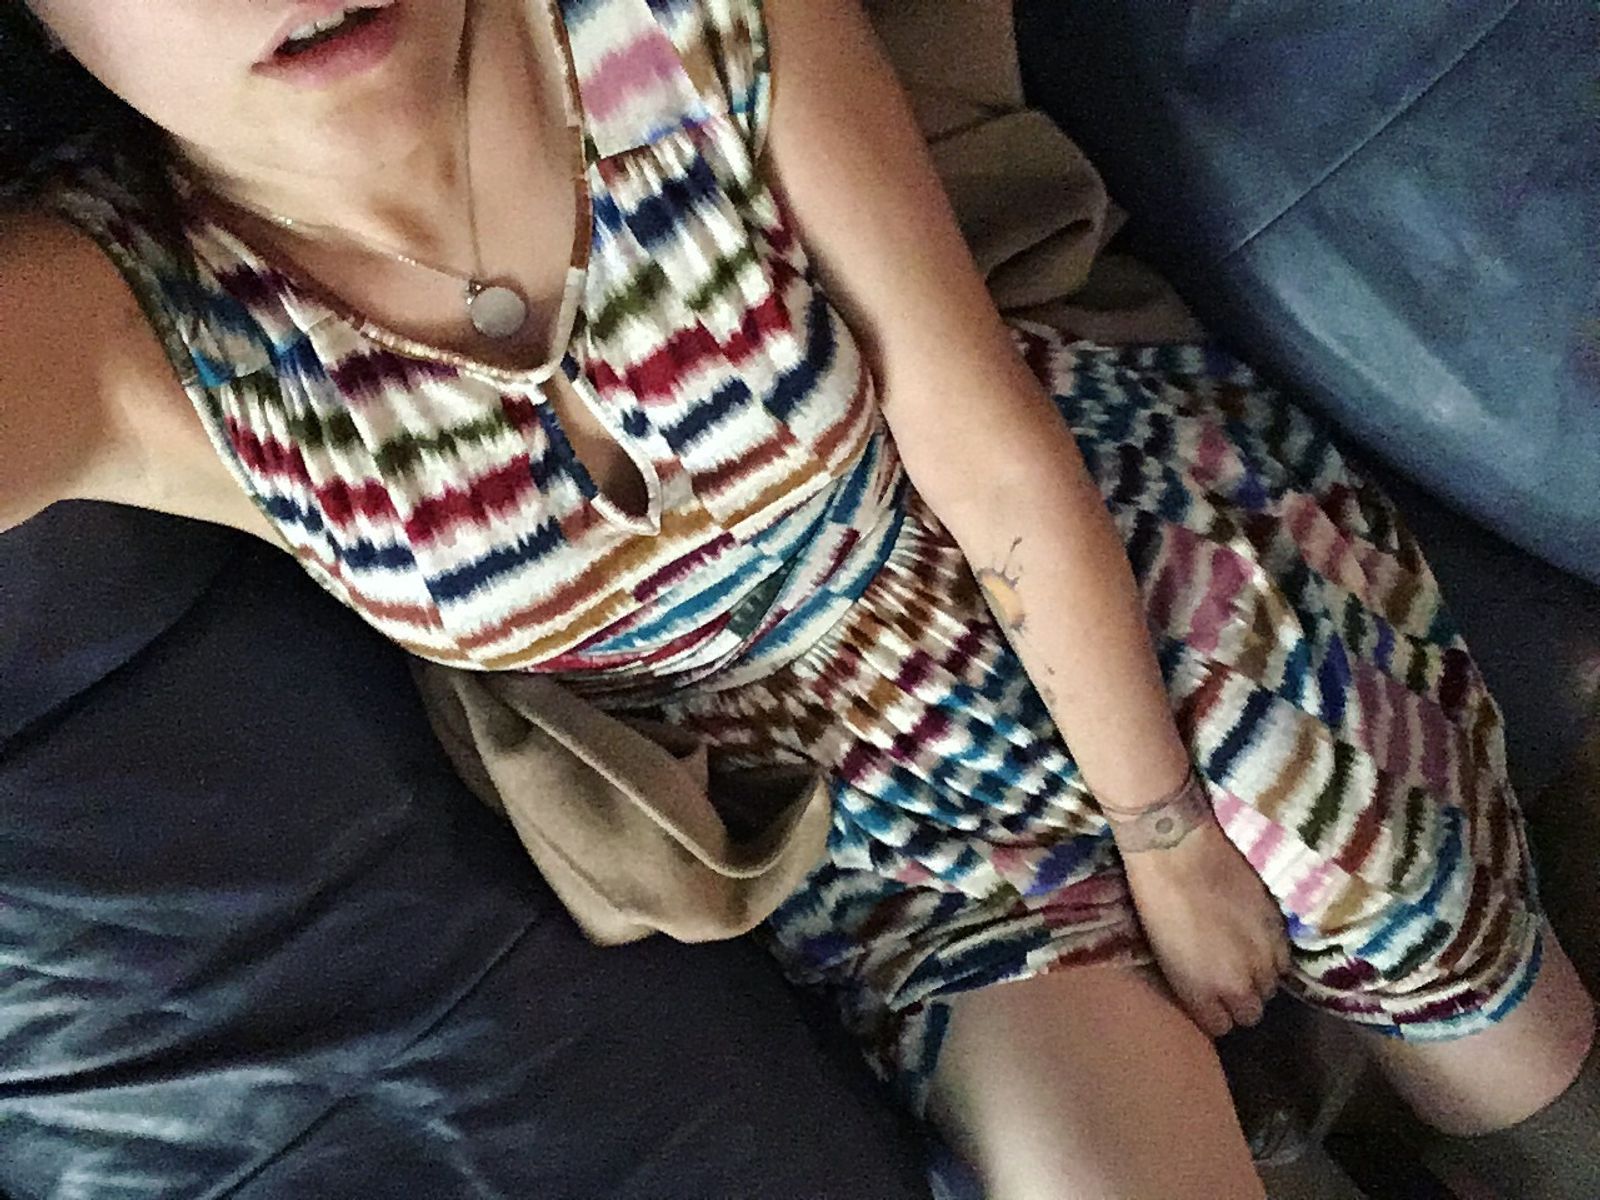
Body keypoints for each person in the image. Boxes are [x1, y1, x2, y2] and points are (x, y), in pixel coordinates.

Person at [1, 1, 1594, 1196]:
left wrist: (1165, 829)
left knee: (1430, 951)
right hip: (860, 831)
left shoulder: (674, 21)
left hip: (1106, 560)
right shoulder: (119, 326)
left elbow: (978, 430)